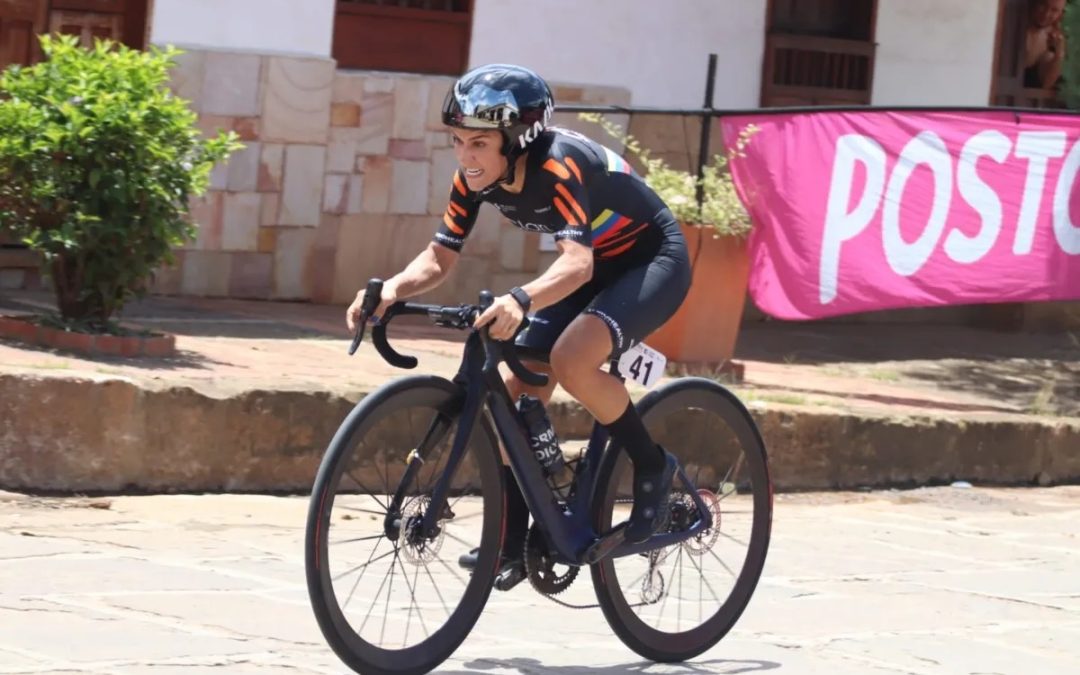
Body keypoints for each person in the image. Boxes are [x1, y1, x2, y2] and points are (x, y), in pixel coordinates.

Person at [345, 63, 691, 589]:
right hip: (591, 264)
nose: (466, 156)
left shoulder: (558, 166)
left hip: (649, 261)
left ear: (518, 140)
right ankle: (512, 536)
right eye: (458, 141)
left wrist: (521, 299)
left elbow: (577, 264)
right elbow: (440, 258)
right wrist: (391, 290)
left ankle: (651, 466)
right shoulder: (474, 179)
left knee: (571, 360)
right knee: (509, 392)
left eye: (479, 143)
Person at [1024, 0, 1067, 90]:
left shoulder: (1051, 40)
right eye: (1043, 5)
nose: (1046, 14)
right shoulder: (1015, 21)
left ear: (1060, 14)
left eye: (1054, 10)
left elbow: (1046, 84)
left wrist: (1059, 54)